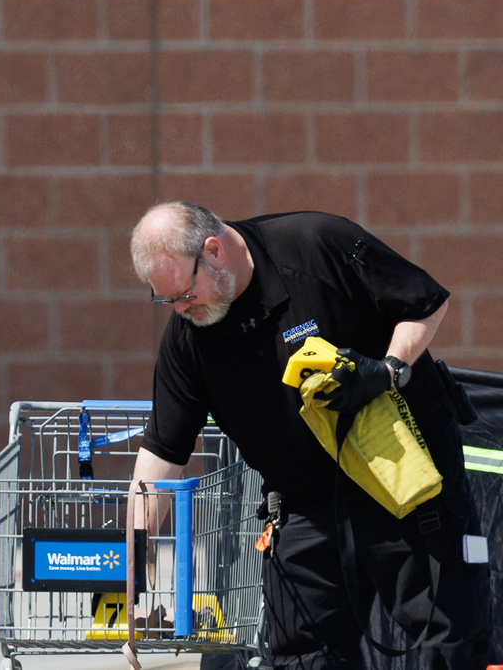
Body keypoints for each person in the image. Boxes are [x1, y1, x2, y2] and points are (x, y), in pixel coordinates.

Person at [129, 201, 490, 668]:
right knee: (302, 657)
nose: (180, 309)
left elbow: (426, 302)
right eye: (167, 301)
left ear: (213, 250)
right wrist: (129, 574)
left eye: (183, 294)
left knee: (450, 639)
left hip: (402, 479)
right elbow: (161, 454)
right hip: (304, 505)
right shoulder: (189, 337)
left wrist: (388, 369)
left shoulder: (315, 245)